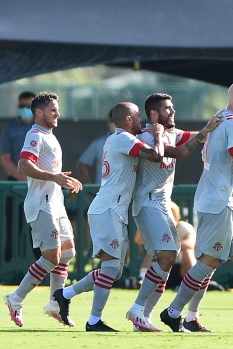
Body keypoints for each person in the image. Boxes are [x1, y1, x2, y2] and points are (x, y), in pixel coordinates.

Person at [160, 80, 233, 334]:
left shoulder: (220, 118)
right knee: (208, 262)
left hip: (232, 201)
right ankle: (172, 312)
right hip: (219, 201)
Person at [51, 102, 164, 332]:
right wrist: (159, 135)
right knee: (111, 268)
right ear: (128, 120)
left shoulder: (122, 137)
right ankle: (94, 321)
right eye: (137, 116)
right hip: (108, 209)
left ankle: (64, 294)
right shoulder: (122, 138)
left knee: (114, 270)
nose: (141, 120)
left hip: (115, 211)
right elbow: (155, 156)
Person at [125, 92, 222, 333]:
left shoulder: (172, 133)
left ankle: (143, 319)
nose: (173, 111)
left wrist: (223, 125)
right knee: (167, 256)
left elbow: (200, 138)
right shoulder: (147, 136)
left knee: (166, 262)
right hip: (147, 203)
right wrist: (206, 130)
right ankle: (137, 308)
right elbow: (180, 152)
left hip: (162, 205)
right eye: (168, 109)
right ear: (154, 114)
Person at [3, 91, 84, 328]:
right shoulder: (35, 135)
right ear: (39, 113)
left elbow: (50, 172)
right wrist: (54, 177)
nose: (57, 113)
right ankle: (15, 298)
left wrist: (64, 180)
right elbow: (23, 165)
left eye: (57, 109)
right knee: (52, 257)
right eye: (52, 110)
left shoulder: (49, 135)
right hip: (41, 205)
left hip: (55, 203)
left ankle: (55, 304)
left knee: (67, 253)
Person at [0, 91, 37, 262]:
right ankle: (9, 266)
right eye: (21, 106)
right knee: (13, 226)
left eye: (28, 106)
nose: (24, 110)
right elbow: (4, 158)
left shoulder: (42, 128)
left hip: (37, 185)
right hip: (14, 184)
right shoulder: (10, 128)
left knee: (36, 227)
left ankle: (39, 269)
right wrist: (21, 176)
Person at [77, 110, 116, 184]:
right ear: (108, 121)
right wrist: (90, 190)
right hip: (104, 192)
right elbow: (81, 165)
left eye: (118, 121)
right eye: (113, 121)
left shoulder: (133, 142)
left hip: (126, 192)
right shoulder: (99, 143)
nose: (115, 124)